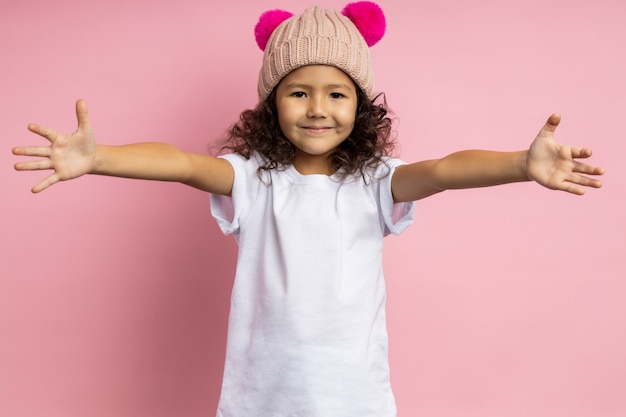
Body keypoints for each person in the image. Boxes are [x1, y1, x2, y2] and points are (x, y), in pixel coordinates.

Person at [12, 2, 604, 417]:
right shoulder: (254, 181)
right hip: (261, 398)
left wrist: (519, 164)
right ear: (273, 105)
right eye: (298, 91)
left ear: (360, 107)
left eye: (337, 93)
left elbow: (444, 170)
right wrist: (100, 157)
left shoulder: (375, 182)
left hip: (355, 399)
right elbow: (184, 163)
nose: (317, 108)